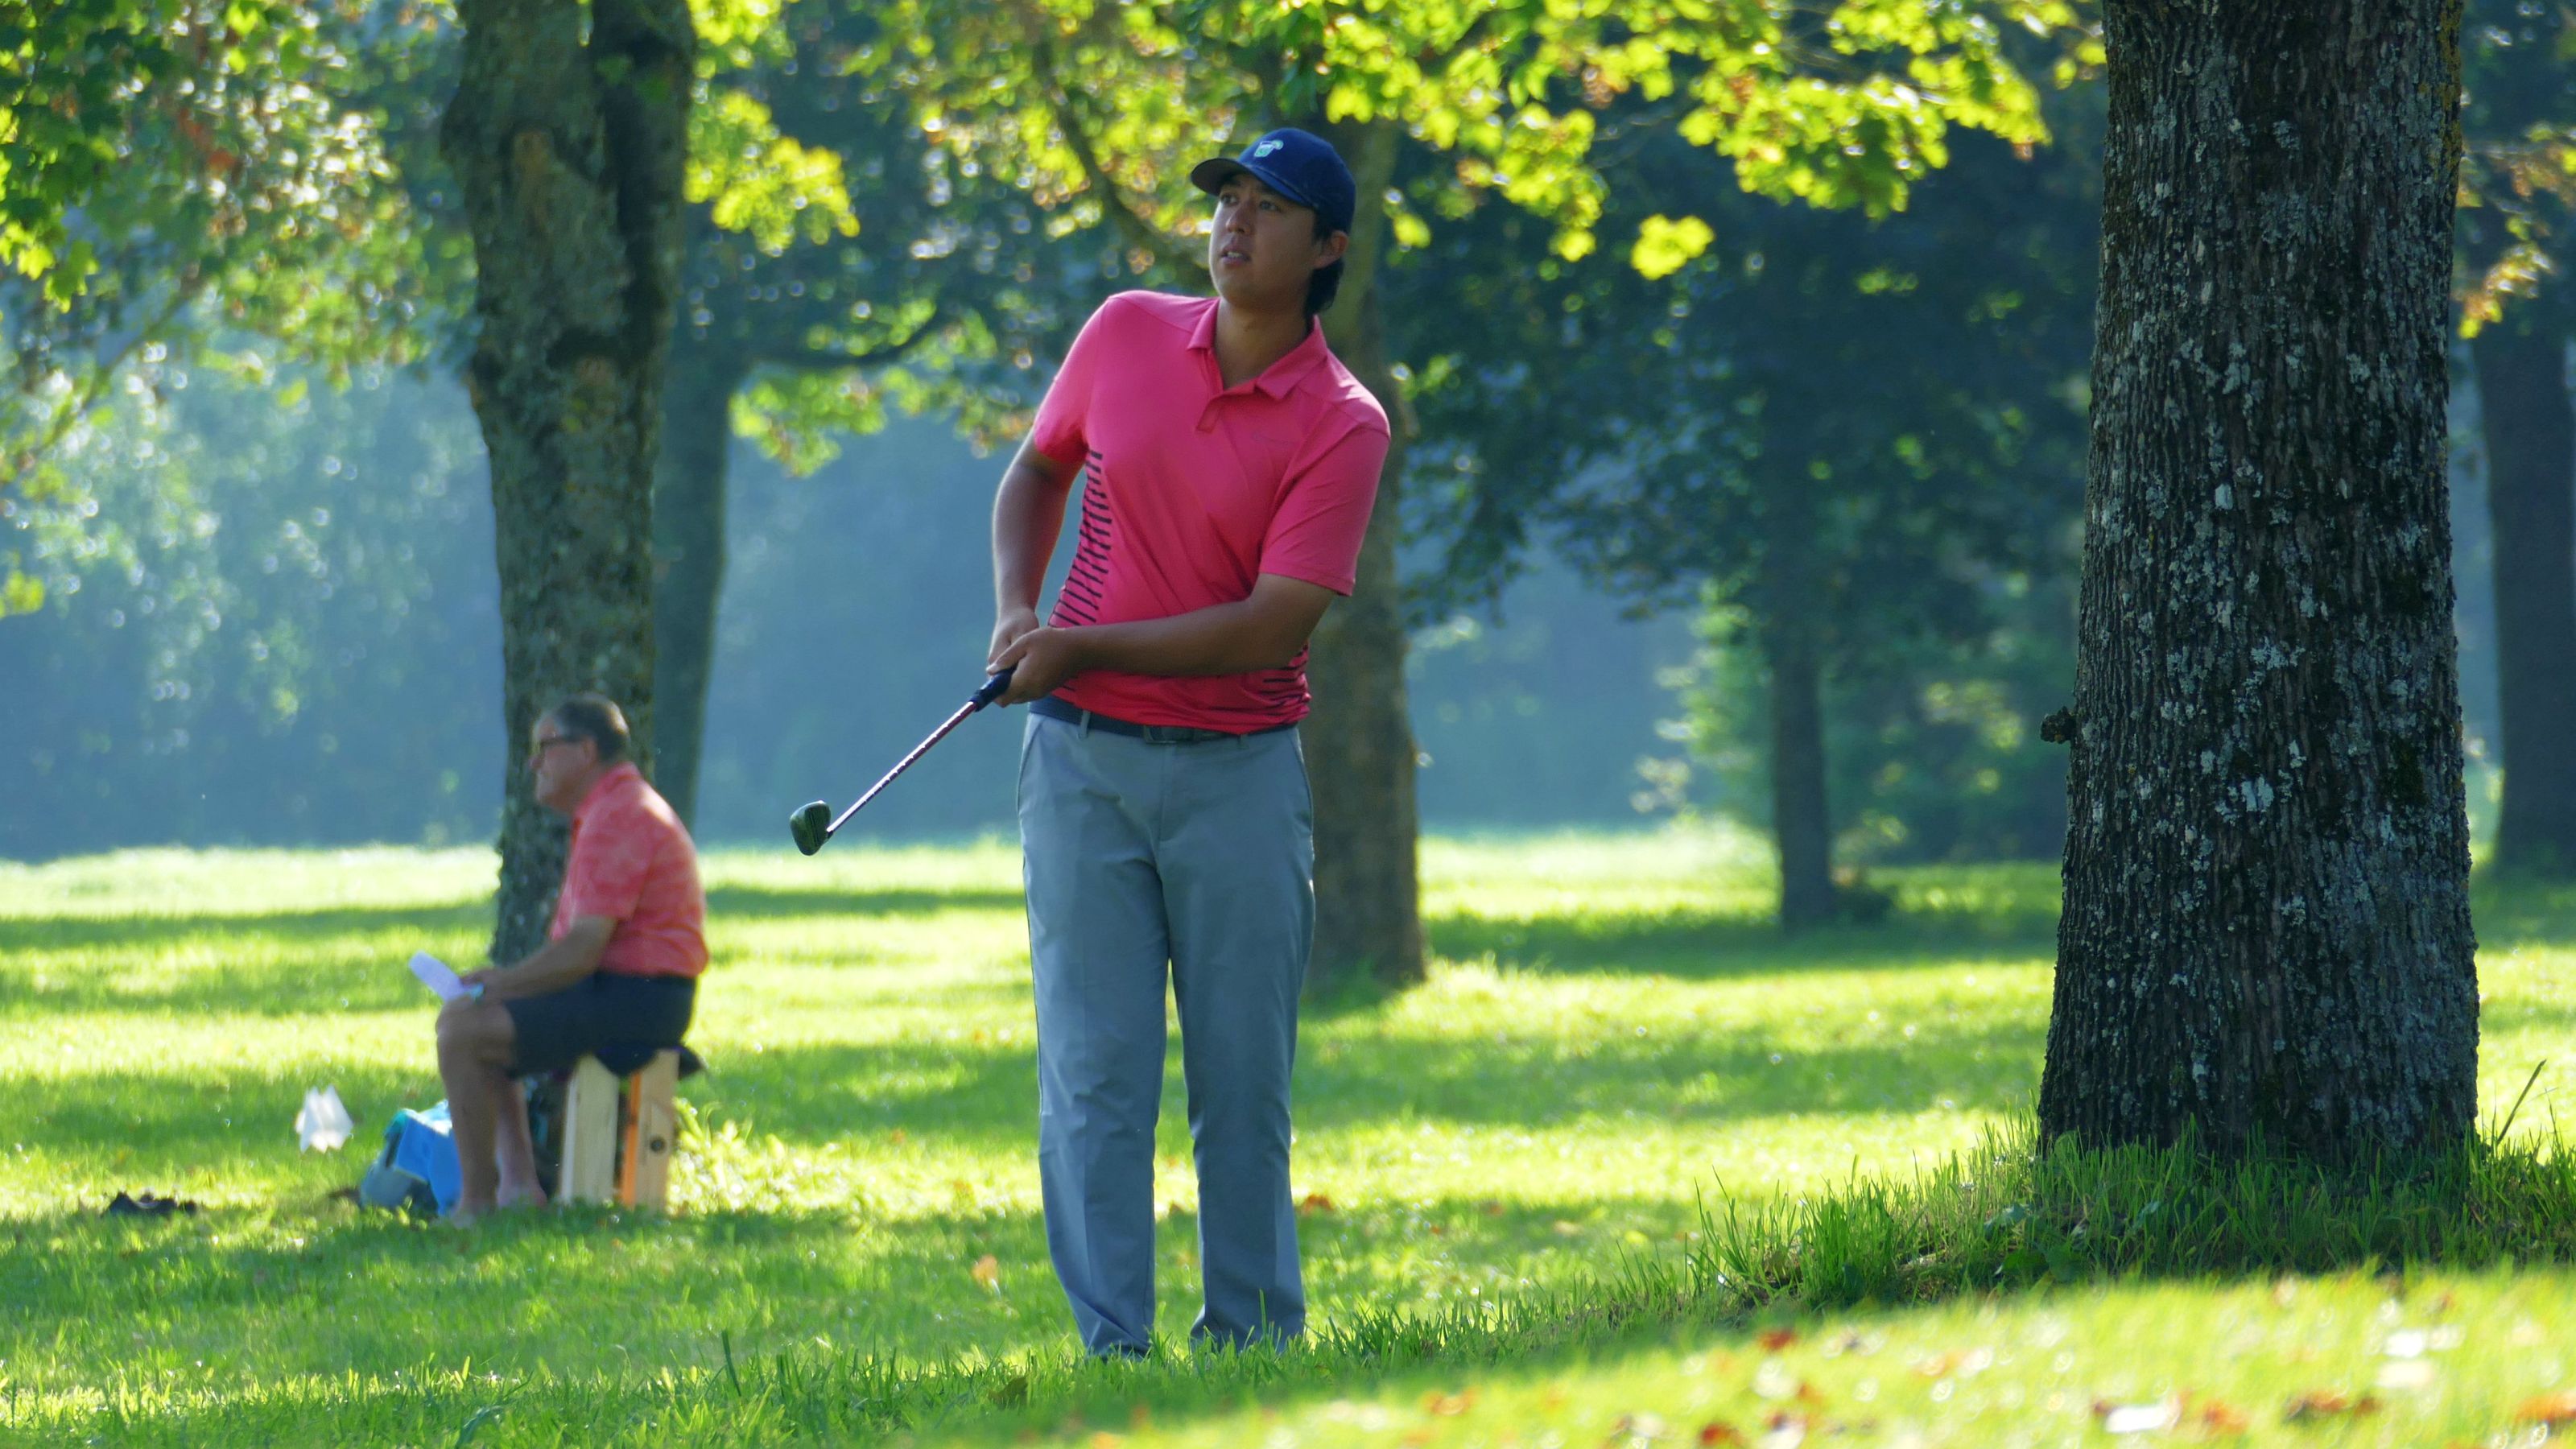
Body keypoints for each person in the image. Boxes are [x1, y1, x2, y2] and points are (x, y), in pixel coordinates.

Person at [985, 127, 1390, 1354]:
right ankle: (1115, 1352)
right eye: (1227, 201)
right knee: (1097, 1082)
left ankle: (1254, 1342)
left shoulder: (1344, 421)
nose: (1233, 225)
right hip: (1082, 769)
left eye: (1270, 212)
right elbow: (1034, 475)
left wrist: (1084, 645)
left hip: (1240, 778)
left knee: (1240, 1085)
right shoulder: (1122, 332)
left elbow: (1275, 626)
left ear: (1325, 250)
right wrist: (1019, 609)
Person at [433, 694, 707, 1224]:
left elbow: (582, 952)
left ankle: (479, 1203)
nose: (534, 763)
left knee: (463, 1034)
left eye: (545, 747)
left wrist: (502, 983)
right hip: (628, 990)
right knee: (468, 1020)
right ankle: (517, 1186)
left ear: (584, 750)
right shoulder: (612, 808)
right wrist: (500, 988)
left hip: (639, 999)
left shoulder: (620, 816)